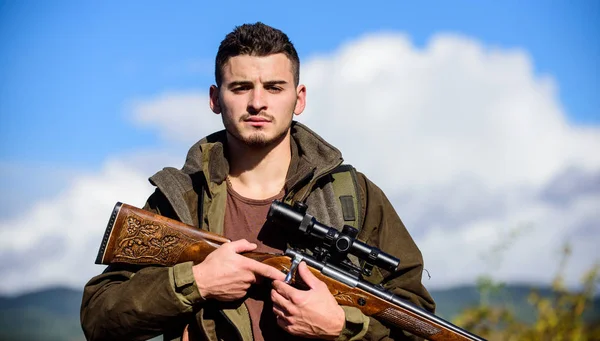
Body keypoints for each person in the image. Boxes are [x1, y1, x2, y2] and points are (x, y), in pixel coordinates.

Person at [81, 22, 435, 341]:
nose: (257, 102)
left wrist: (341, 326)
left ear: (299, 99)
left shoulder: (354, 197)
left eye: (274, 87)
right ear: (215, 99)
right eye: (240, 87)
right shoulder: (181, 200)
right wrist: (197, 282)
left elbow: (419, 326)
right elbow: (99, 317)